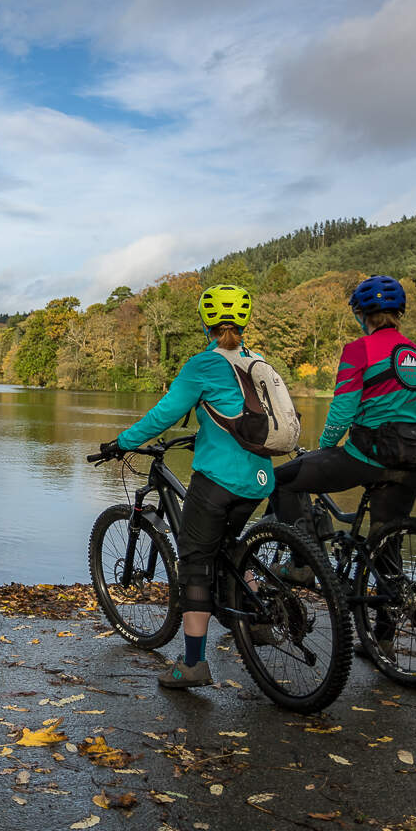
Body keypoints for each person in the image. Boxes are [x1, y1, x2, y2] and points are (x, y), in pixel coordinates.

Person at [97, 284, 274, 689]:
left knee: (195, 564)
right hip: (260, 477)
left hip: (218, 479)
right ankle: (261, 618)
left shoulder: (203, 364)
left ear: (205, 321)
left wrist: (122, 442)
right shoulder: (257, 360)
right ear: (244, 322)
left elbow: (165, 414)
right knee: (229, 547)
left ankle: (193, 664)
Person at [268, 275, 416, 653]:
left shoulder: (359, 349)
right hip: (414, 459)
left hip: (367, 456)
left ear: (362, 314)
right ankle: (384, 639)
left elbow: (342, 410)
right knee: (386, 542)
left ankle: (303, 562)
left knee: (282, 481)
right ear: (398, 313)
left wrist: (322, 448)